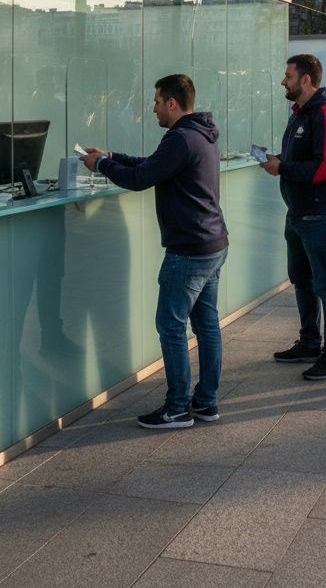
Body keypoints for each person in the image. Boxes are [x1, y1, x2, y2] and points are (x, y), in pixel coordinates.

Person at [83, 74, 228, 429]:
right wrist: (113, 155)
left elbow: (140, 179)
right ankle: (206, 402)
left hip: (189, 249)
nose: (153, 108)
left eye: (157, 101)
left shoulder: (180, 138)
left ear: (172, 103)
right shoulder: (199, 134)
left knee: (171, 326)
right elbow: (152, 164)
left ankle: (178, 407)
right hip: (212, 243)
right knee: (206, 325)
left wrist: (101, 165)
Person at [261, 54, 326, 381]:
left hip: (322, 212)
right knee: (302, 279)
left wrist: (283, 167)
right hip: (299, 211)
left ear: (307, 79)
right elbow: (305, 158)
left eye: (288, 75)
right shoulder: (300, 114)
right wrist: (279, 160)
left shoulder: (325, 113)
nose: (284, 81)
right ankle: (311, 341)